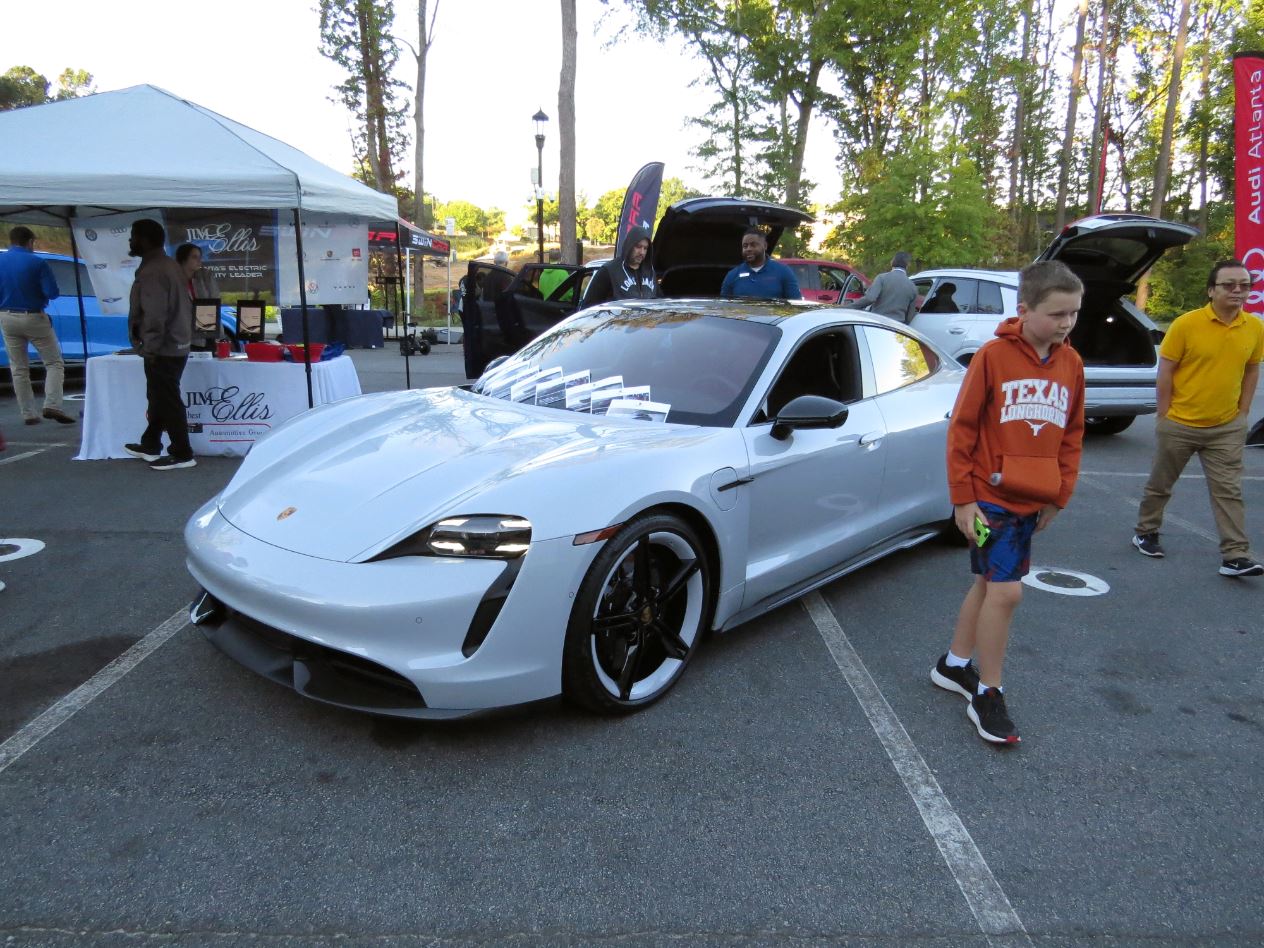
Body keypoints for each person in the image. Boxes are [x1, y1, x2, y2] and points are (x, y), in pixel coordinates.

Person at [932, 260, 1085, 745]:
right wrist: (962, 499)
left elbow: (1073, 433)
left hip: (1033, 498)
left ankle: (954, 664)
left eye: (1074, 314)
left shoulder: (1072, 364)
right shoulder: (993, 356)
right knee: (1008, 591)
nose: (1066, 324)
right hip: (988, 499)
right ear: (1024, 310)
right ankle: (988, 692)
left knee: (987, 583)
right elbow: (963, 428)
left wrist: (1060, 493)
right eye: (1057, 314)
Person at [1132, 259, 1264, 576]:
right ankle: (1146, 531)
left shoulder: (1255, 327)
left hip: (1226, 427)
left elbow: (1251, 368)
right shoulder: (1186, 325)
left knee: (1228, 491)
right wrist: (1164, 416)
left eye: (1244, 285)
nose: (1238, 290)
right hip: (1180, 422)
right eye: (1229, 285)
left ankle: (1235, 555)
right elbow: (1166, 372)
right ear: (1211, 290)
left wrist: (1242, 413)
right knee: (1161, 483)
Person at [124, 218, 196, 470]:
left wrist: (151, 347)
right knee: (158, 396)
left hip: (165, 346)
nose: (130, 241)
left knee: (167, 398)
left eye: (133, 236)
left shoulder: (154, 270)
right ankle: (151, 443)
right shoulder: (167, 266)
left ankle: (182, 453)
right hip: (174, 343)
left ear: (144, 239)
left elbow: (155, 314)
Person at [0, 226, 75, 425]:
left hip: (6, 316)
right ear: (30, 241)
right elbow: (52, 292)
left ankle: (28, 413)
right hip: (33, 316)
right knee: (53, 362)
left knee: (18, 367)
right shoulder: (37, 262)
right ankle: (52, 404)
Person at [719, 228, 802, 300]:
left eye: (753, 245)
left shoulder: (783, 271)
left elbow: (796, 305)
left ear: (765, 246)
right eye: (745, 246)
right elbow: (724, 309)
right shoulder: (732, 275)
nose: (748, 249)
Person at [584, 226, 657, 305]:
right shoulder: (609, 271)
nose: (642, 252)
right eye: (638, 247)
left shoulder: (650, 272)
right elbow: (588, 307)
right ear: (630, 245)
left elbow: (659, 301)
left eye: (645, 248)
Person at [844, 251, 918, 323]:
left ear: (892, 262)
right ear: (908, 265)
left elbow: (870, 298)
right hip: (897, 328)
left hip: (878, 323)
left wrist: (848, 307)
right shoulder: (912, 287)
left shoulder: (882, 278)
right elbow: (909, 318)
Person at [175, 243, 219, 351]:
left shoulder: (204, 276)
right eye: (194, 257)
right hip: (184, 333)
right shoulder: (174, 279)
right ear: (183, 259)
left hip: (206, 329)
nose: (199, 261)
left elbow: (215, 300)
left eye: (200, 257)